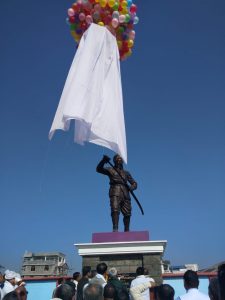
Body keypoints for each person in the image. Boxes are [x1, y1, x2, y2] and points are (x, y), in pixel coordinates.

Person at [96, 154, 137, 232]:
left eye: (120, 159)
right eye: (117, 159)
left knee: (127, 213)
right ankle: (115, 228)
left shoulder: (126, 173)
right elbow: (99, 169)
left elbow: (134, 183)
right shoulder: (110, 170)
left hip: (125, 192)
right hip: (115, 191)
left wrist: (131, 187)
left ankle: (127, 230)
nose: (119, 160)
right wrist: (103, 161)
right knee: (115, 210)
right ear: (114, 161)